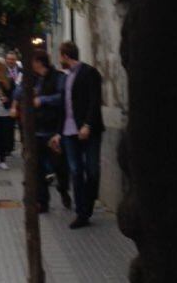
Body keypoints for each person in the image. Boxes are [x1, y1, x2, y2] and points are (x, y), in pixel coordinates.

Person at [50, 41, 104, 229]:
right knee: (76, 171)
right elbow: (64, 108)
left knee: (92, 170)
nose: (59, 59)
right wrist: (58, 133)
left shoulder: (89, 73)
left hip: (88, 130)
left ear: (66, 56)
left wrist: (88, 124)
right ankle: (82, 212)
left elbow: (95, 101)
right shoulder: (65, 77)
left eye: (60, 55)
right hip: (68, 132)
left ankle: (88, 204)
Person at [30, 50, 71, 213]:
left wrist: (42, 100)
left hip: (54, 130)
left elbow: (62, 97)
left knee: (59, 166)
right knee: (38, 168)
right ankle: (43, 202)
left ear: (39, 62)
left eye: (33, 61)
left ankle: (63, 190)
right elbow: (19, 92)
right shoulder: (34, 79)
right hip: (38, 129)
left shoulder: (58, 77)